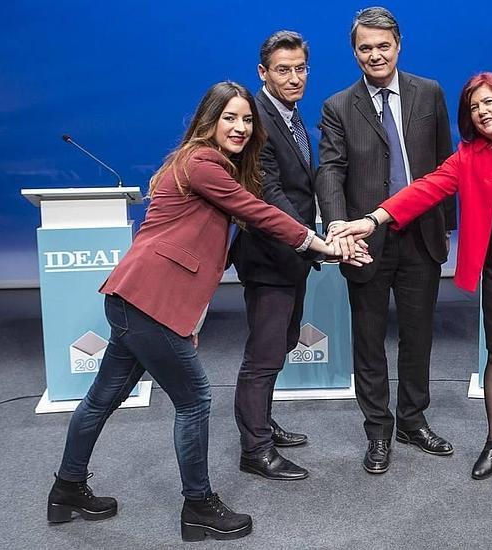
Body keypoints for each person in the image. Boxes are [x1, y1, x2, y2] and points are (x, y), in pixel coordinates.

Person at [46, 81, 369, 542]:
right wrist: (323, 245)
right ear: (209, 120)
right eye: (230, 118)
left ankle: (67, 489)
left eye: (246, 119)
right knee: (194, 400)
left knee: (102, 398)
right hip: (148, 301)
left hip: (131, 297)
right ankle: (198, 505)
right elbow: (259, 212)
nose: (240, 127)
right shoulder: (203, 163)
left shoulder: (201, 164)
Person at [330, 72, 492, 484]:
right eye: (473, 107)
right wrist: (372, 219)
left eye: (489, 102)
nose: (482, 112)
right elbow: (426, 189)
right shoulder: (469, 156)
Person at [315, 6, 457, 475]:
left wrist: (448, 225)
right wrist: (337, 228)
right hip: (363, 239)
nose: (374, 55)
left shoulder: (430, 92)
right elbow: (330, 169)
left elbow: (445, 163)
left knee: (418, 337)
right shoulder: (338, 106)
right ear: (354, 52)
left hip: (421, 236)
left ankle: (412, 421)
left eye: (383, 45)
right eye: (364, 48)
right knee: (369, 340)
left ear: (399, 44)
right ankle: (378, 431)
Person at [228, 30, 323, 481]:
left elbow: (304, 183)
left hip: (292, 257)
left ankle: (260, 423)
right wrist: (310, 237)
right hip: (269, 258)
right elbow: (267, 191)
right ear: (263, 73)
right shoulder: (259, 118)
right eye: (283, 70)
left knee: (281, 345)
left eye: (300, 68)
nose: (294, 78)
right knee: (263, 355)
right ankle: (255, 449)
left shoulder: (293, 116)